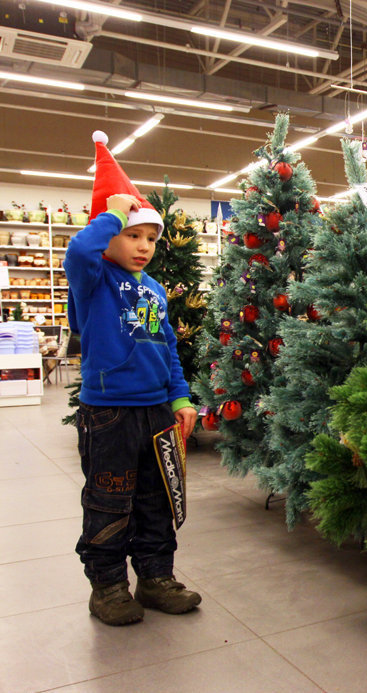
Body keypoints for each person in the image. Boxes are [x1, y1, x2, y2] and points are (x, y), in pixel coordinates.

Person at [66, 130, 200, 626]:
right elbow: (79, 253)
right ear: (111, 232)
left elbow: (165, 347)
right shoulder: (94, 279)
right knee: (109, 498)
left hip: (158, 412)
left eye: (150, 237)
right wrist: (114, 212)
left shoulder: (154, 290)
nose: (143, 246)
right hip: (110, 414)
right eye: (132, 233)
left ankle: (156, 577)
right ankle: (107, 587)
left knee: (156, 499)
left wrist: (181, 397)